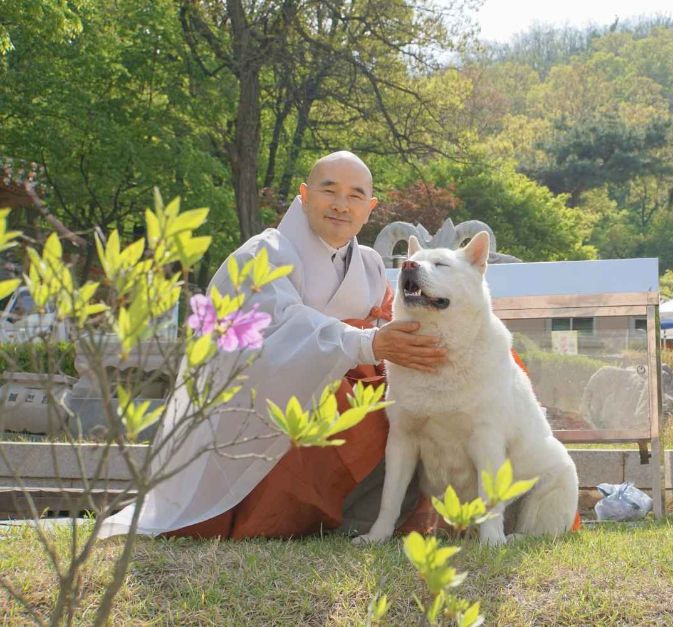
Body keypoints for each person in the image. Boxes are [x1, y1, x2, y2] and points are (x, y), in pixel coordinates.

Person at [100, 151, 446, 539]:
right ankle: (328, 515)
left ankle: (426, 507)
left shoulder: (368, 263)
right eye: (328, 190)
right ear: (303, 195)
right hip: (265, 402)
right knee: (345, 399)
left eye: (355, 196)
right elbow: (276, 330)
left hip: (349, 375)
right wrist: (365, 343)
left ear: (370, 208)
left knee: (443, 381)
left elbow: (390, 321)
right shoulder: (262, 254)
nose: (340, 205)